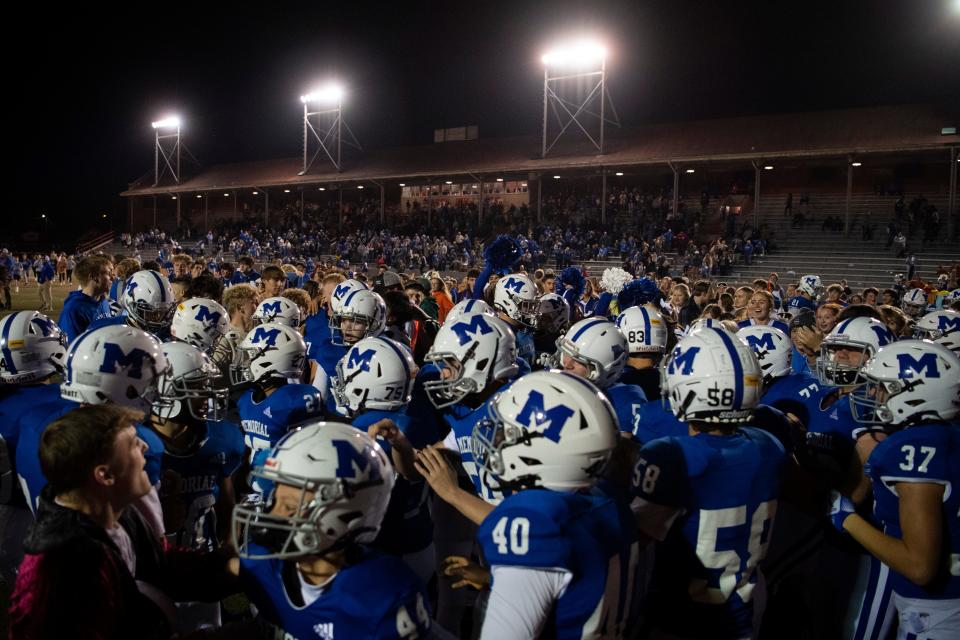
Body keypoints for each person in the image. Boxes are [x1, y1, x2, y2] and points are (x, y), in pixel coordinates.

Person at [8, 404, 238, 640]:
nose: (145, 446)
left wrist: (235, 566)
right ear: (105, 475)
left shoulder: (117, 517)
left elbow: (164, 568)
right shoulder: (67, 562)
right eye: (132, 443)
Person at [630, 327, 786, 638]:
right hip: (744, 612)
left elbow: (631, 540)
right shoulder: (770, 445)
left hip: (683, 618)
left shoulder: (671, 456)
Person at [464, 370, 637, 639]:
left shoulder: (535, 521)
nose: (495, 440)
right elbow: (575, 585)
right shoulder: (609, 499)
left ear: (540, 450)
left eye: (507, 434)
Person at [232, 421, 437, 639]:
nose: (273, 514)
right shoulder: (265, 561)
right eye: (275, 500)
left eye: (290, 506)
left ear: (342, 515)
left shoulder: (382, 596)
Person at [835, 340, 960, 638]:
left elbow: (919, 566)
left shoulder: (910, 449)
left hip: (935, 615)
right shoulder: (946, 436)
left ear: (915, 395)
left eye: (884, 387)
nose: (874, 395)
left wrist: (845, 517)